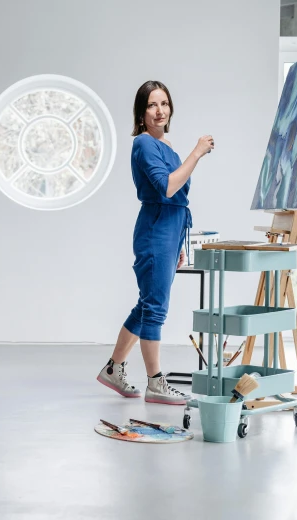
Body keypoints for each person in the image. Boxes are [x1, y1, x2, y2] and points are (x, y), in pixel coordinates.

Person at [97, 80, 215, 405]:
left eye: (164, 103)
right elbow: (167, 187)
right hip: (156, 229)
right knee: (155, 308)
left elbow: (176, 193)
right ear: (141, 112)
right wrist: (197, 152)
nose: (160, 110)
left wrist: (179, 244)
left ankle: (113, 369)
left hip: (170, 230)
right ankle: (155, 382)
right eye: (152, 105)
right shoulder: (145, 144)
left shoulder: (167, 148)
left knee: (147, 303)